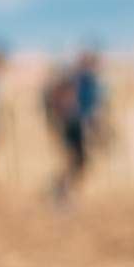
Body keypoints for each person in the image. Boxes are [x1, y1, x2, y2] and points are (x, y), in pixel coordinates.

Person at [44, 47, 104, 203]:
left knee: (79, 161)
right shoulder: (77, 80)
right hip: (74, 125)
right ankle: (61, 191)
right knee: (76, 160)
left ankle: (63, 190)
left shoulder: (86, 80)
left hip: (78, 125)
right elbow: (73, 104)